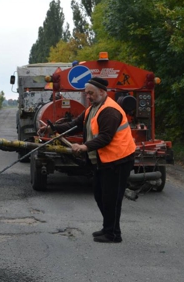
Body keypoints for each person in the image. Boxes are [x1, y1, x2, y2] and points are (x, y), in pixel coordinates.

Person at [41, 77, 135, 243]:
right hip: (103, 160)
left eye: (91, 93)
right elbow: (75, 125)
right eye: (87, 94)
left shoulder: (110, 111)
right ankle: (108, 228)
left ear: (102, 92)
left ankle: (113, 234)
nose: (88, 96)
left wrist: (84, 147)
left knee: (111, 198)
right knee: (100, 195)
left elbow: (106, 137)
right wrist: (53, 128)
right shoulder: (93, 108)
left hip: (119, 160)